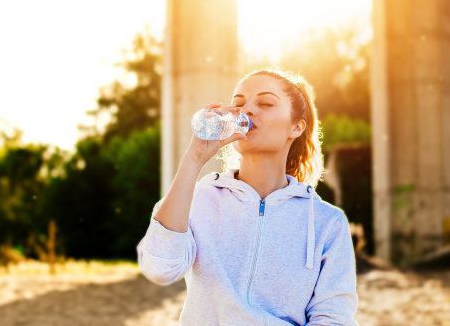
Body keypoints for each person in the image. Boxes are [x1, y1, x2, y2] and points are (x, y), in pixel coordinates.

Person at [137, 69, 358, 325]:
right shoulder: (201, 199)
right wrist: (194, 158)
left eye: (265, 103)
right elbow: (159, 268)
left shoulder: (327, 222)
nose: (247, 110)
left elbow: (334, 319)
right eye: (239, 103)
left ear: (296, 127)